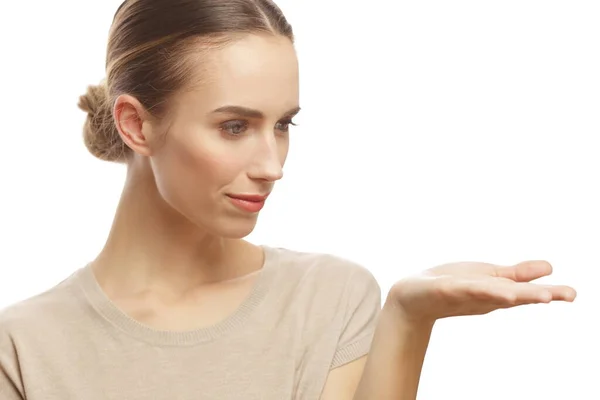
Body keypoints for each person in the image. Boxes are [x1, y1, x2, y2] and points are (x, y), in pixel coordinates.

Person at [0, 0, 577, 399]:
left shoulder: (329, 300)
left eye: (283, 124)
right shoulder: (24, 347)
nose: (273, 166)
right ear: (135, 124)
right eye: (233, 127)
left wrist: (407, 317)